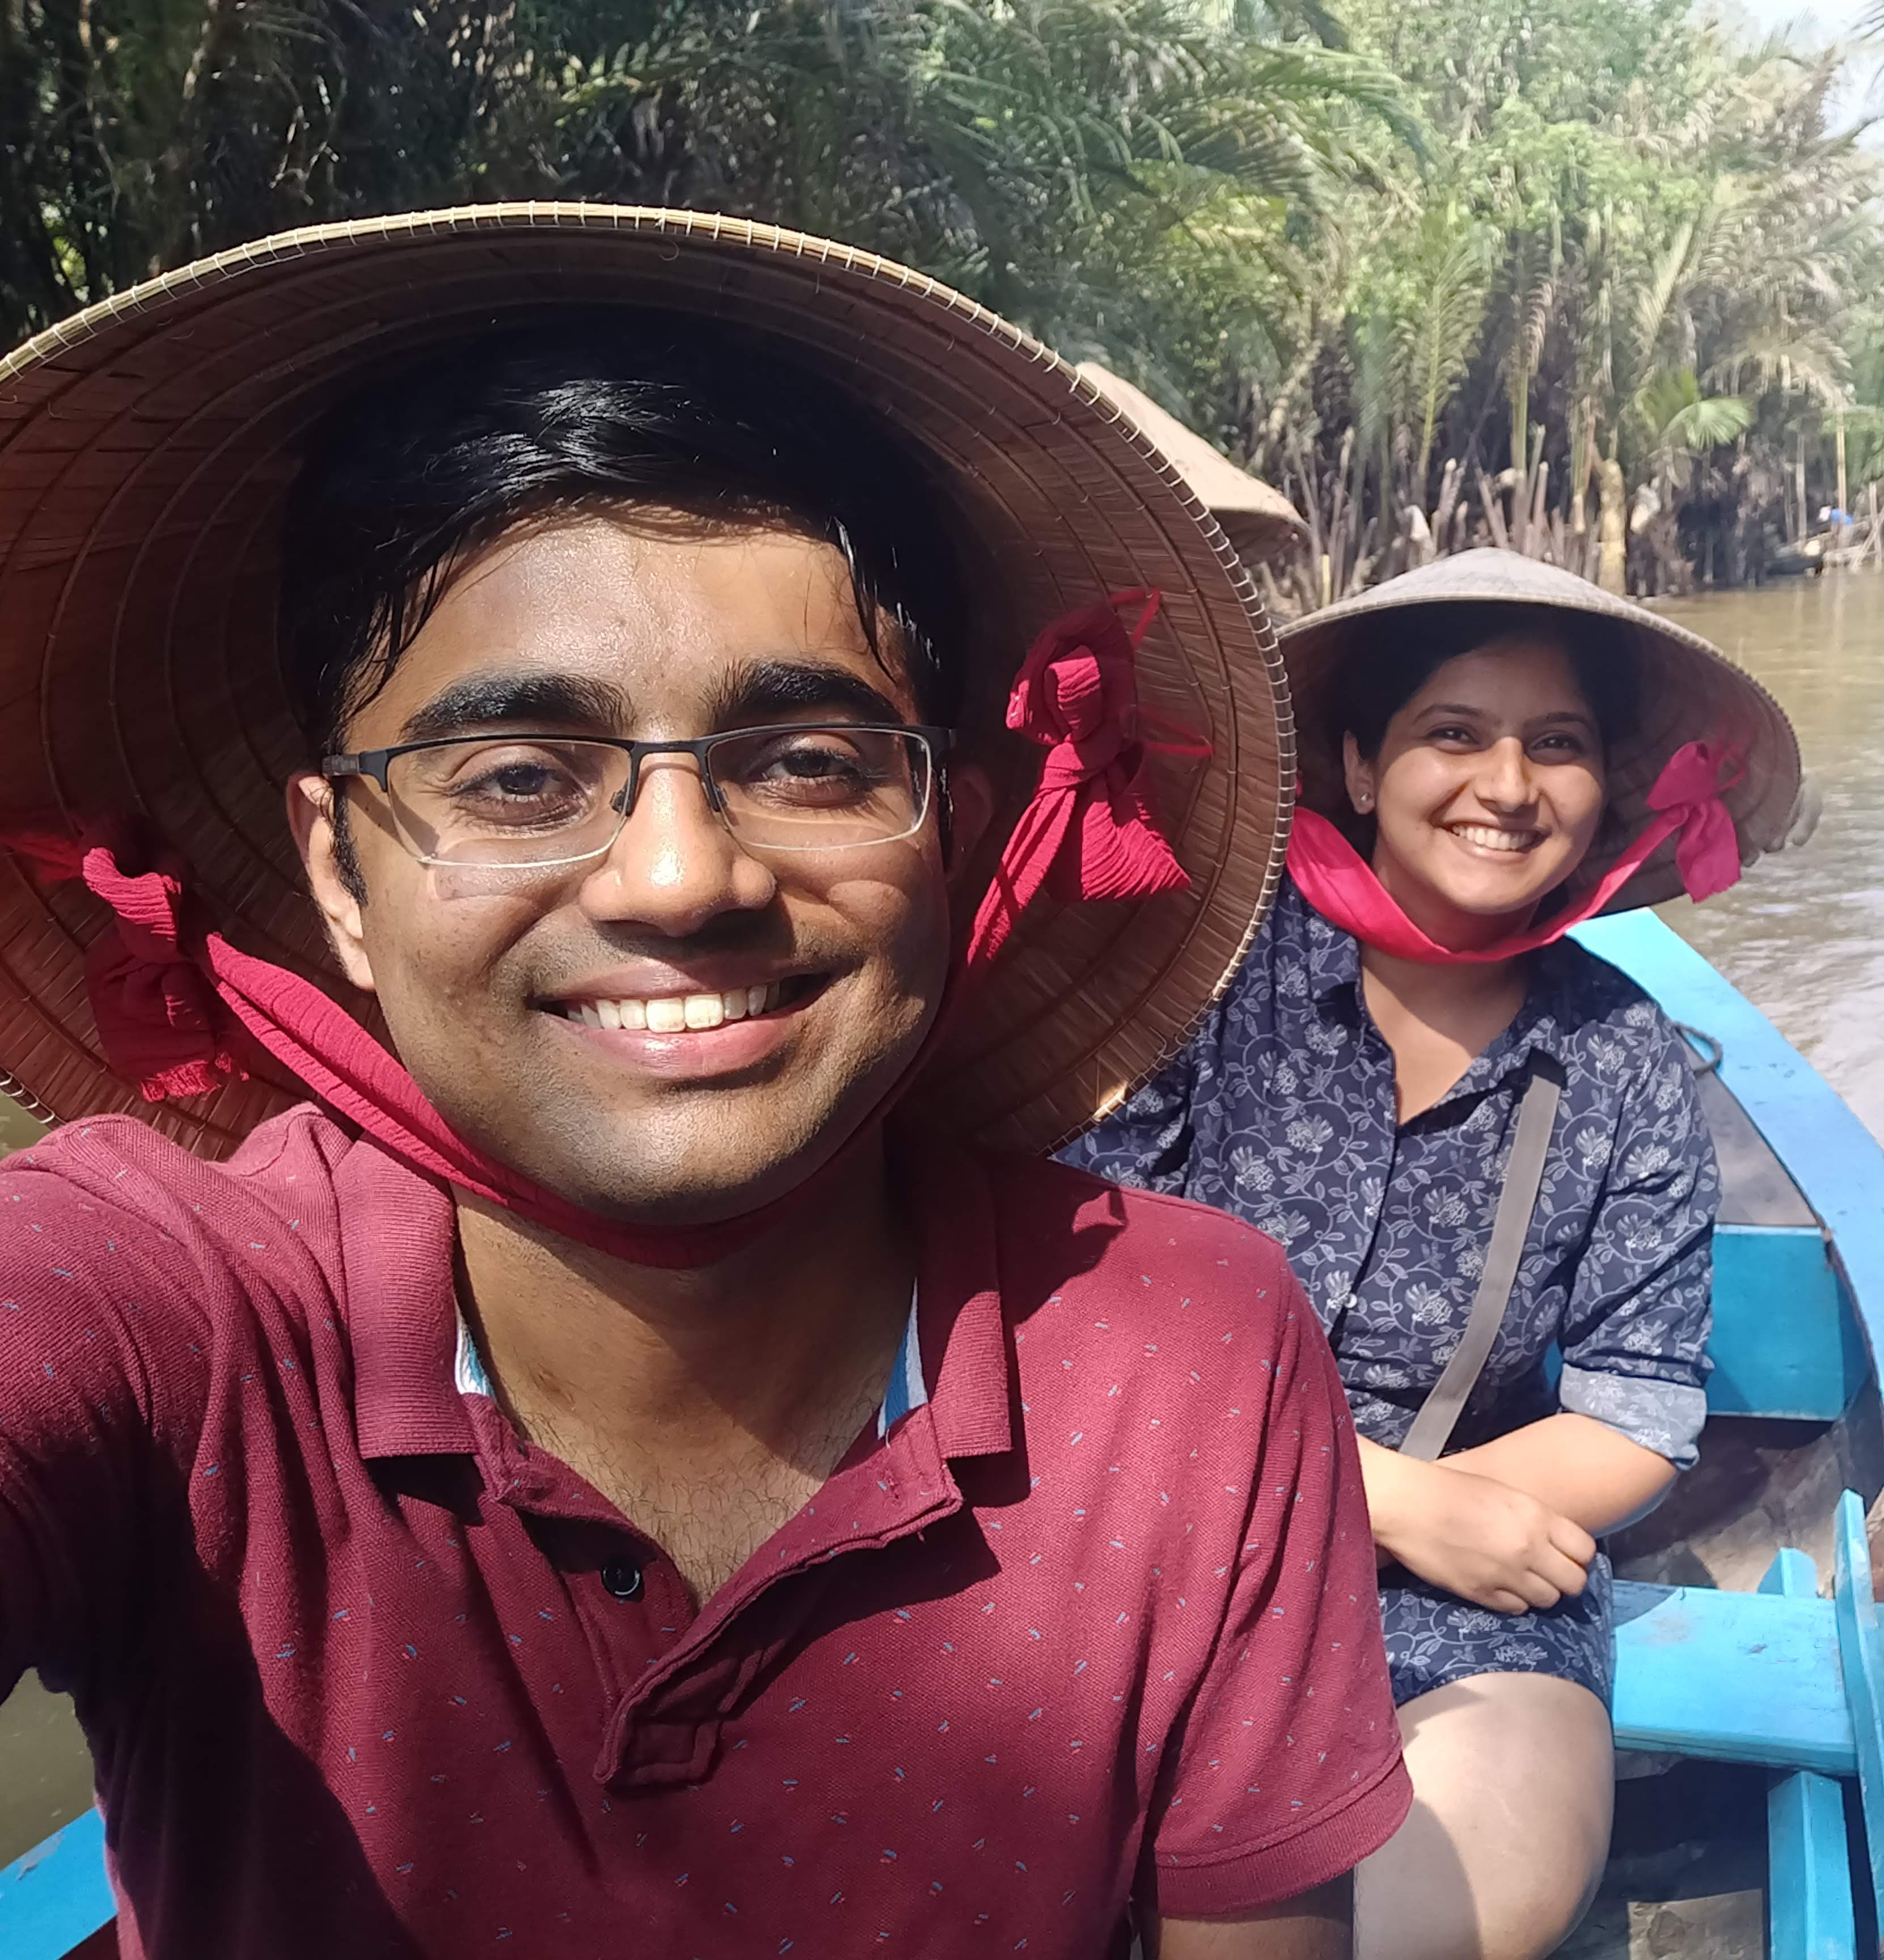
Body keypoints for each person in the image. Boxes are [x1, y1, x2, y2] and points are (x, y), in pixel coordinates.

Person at [0, 209, 1408, 1959]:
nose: (679, 880)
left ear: (958, 837)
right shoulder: (163, 1313)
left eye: (811, 761)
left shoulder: (1192, 1344)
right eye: (519, 776)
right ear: (342, 880)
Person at [1063, 549, 1805, 1959]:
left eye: (1558, 745)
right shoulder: (1203, 981)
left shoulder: (1626, 1058)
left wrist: (1427, 1532)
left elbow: (1639, 1410)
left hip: (1475, 1589)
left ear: (1602, 798)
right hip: (1158, 1539)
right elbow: (1077, 1317)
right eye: (1454, 733)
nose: (1507, 785)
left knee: (1478, 1876)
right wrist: (1376, 1503)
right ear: (1357, 760)